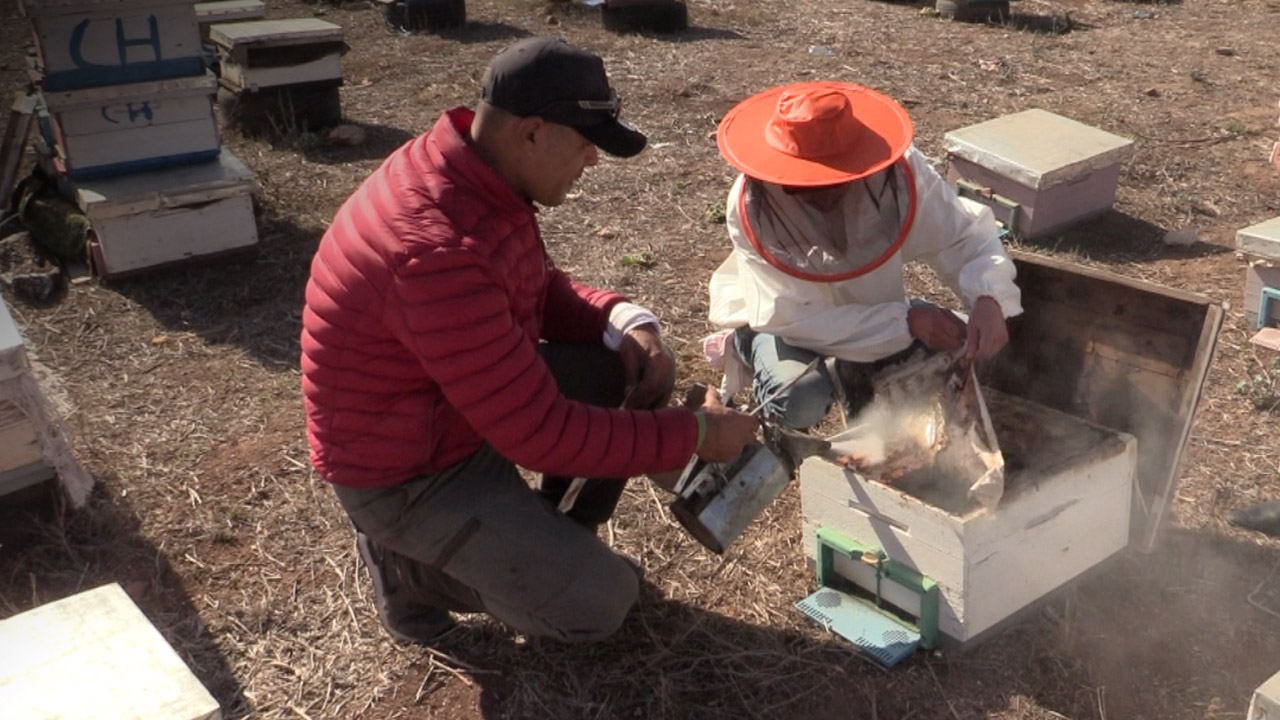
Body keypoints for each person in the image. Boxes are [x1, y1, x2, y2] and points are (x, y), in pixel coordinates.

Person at [300, 37, 759, 646]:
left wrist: (623, 319)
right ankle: (407, 568)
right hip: (410, 473)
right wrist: (697, 435)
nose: (592, 159)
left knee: (625, 365)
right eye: (585, 142)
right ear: (534, 132)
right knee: (602, 603)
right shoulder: (432, 249)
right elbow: (541, 434)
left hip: (450, 413)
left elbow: (531, 287)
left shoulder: (473, 171)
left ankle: (544, 538)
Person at [706, 81, 1024, 429]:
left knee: (966, 353)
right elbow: (790, 316)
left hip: (877, 313)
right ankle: (746, 345)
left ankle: (855, 370)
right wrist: (905, 322)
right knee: (800, 398)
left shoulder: (899, 174)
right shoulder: (752, 205)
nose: (823, 194)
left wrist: (989, 297)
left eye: (835, 180)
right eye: (806, 184)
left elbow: (963, 235)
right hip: (781, 325)